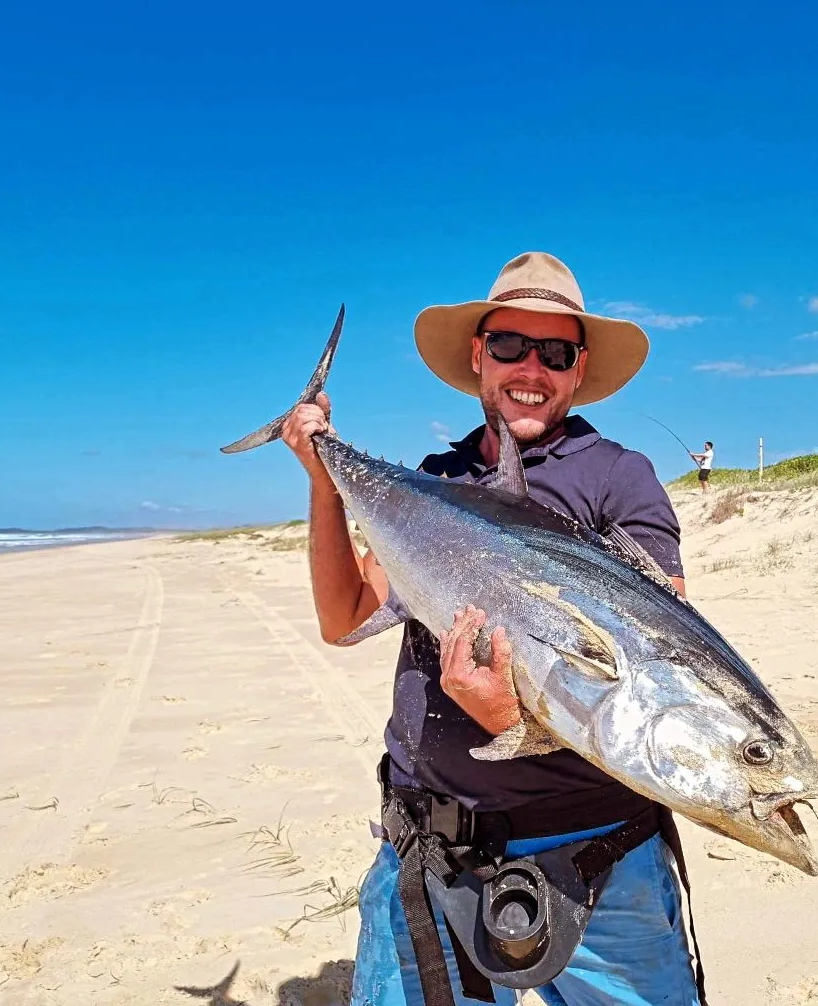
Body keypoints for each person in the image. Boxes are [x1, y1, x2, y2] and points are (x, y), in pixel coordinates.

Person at [282, 252, 702, 1006]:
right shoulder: (430, 482)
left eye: (555, 352)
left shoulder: (620, 477)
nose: (530, 368)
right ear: (479, 356)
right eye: (509, 345)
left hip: (601, 857)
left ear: (578, 371)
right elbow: (343, 618)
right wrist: (324, 479)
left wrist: (524, 718)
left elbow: (658, 658)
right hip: (429, 849)